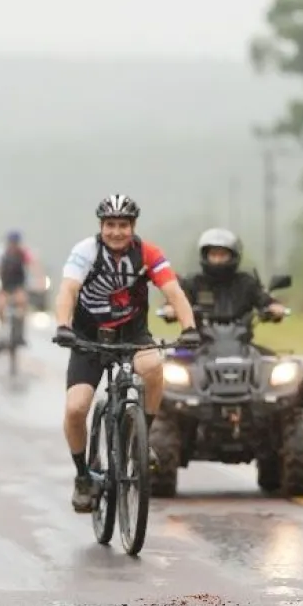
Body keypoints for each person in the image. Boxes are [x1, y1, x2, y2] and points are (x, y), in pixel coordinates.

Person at [52, 193, 199, 513]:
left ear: (133, 227)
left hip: (133, 334)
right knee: (76, 408)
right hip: (88, 339)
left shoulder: (148, 253)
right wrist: (63, 325)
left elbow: (173, 290)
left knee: (154, 366)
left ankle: (141, 438)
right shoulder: (86, 251)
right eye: (110, 225)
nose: (116, 232)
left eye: (123, 225)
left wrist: (189, 327)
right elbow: (68, 289)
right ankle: (82, 476)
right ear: (101, 226)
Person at [161, 228, 288, 337]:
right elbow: (178, 300)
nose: (217, 259)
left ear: (233, 256)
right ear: (205, 256)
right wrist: (170, 309)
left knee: (289, 364)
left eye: (222, 255)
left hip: (241, 344)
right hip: (199, 344)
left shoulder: (246, 282)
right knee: (168, 364)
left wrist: (274, 307)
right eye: (213, 254)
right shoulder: (194, 282)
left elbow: (264, 300)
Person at [0, 230, 37, 352]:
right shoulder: (1, 254)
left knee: (22, 305)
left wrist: (38, 280)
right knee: (0, 308)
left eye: (15, 243)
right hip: (5, 286)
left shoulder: (24, 254)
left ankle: (20, 335)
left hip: (18, 286)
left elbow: (33, 266)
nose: (13, 245)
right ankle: (0, 338)